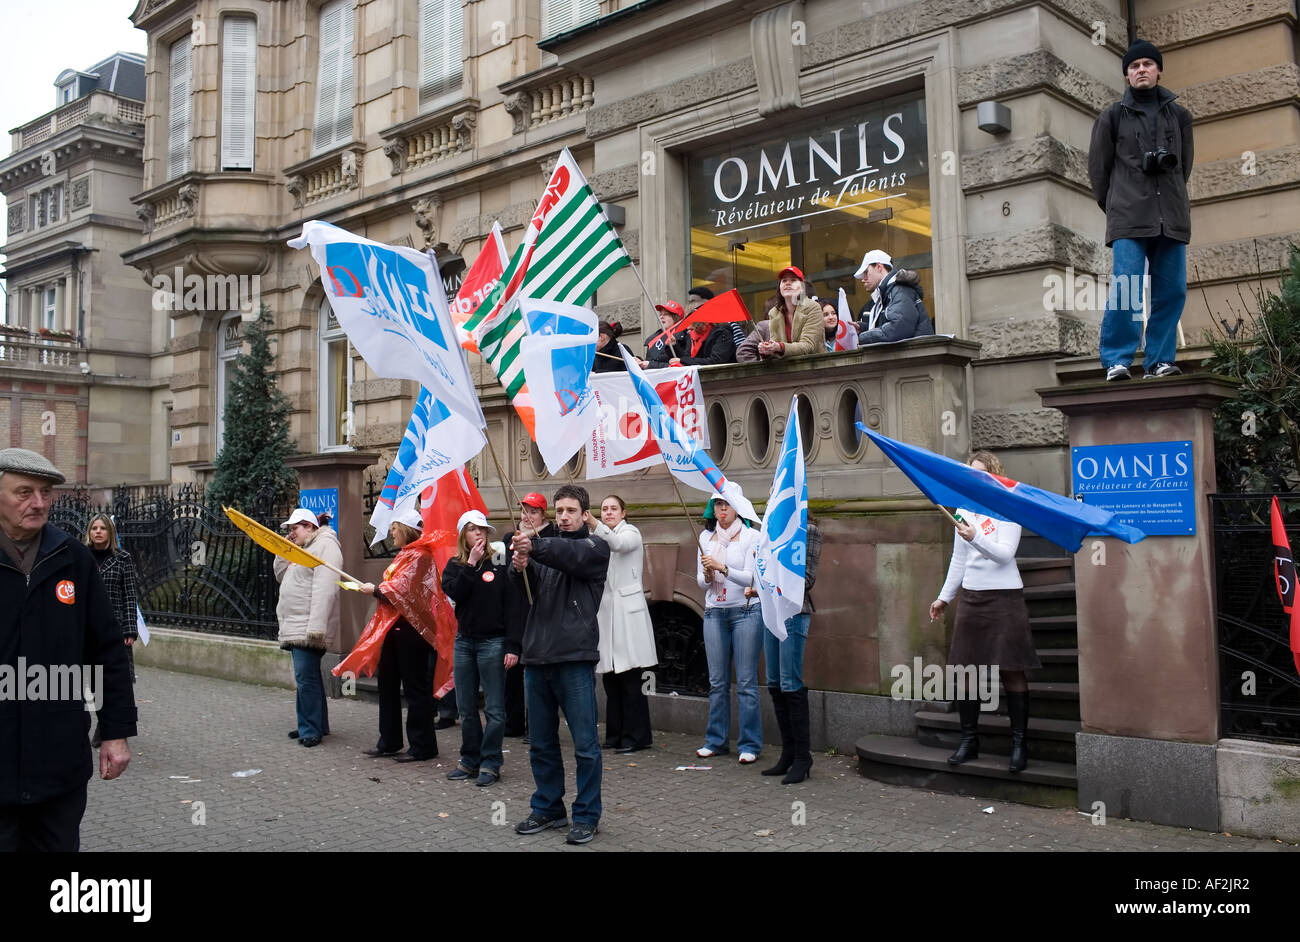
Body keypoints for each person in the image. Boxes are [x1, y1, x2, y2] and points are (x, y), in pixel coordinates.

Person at [0, 448, 136, 851]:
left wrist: (116, 732)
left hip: (58, 760)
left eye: (45, 492)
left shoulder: (72, 558)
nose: (38, 503)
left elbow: (107, 650)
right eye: (23, 492)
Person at [509, 484, 610, 846]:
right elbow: (528, 593)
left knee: (585, 745)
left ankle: (586, 816)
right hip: (537, 656)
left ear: (585, 515)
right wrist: (520, 567)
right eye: (560, 511)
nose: (564, 517)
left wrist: (534, 547)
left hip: (574, 658)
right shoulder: (546, 548)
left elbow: (573, 557)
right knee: (541, 743)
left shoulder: (596, 546)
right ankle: (549, 807)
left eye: (571, 511)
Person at [1088, 39, 1194, 382]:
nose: (1142, 70)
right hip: (1129, 216)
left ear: (1159, 70)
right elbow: (1098, 170)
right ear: (1126, 75)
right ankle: (1117, 360)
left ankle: (1160, 360)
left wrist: (1171, 196)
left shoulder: (1179, 116)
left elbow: (1184, 167)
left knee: (1172, 289)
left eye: (1148, 64)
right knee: (1127, 287)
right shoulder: (1113, 116)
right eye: (1134, 66)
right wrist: (1117, 204)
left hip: (1171, 215)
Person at [928, 451, 1040, 773]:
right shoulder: (964, 509)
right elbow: (959, 561)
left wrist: (975, 535)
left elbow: (1004, 556)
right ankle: (969, 740)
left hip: (1005, 597)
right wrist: (944, 598)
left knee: (1011, 670)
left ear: (993, 474)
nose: (975, 478)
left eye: (981, 473)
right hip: (973, 598)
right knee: (966, 672)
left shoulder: (1009, 507)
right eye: (971, 473)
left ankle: (1019, 745)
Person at [358, 508, 446, 762]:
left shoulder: (420, 556)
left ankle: (423, 745)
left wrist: (374, 589)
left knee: (415, 688)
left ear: (405, 529)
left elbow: (403, 589)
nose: (392, 532)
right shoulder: (406, 554)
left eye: (395, 527)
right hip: (394, 628)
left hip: (412, 631)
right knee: (387, 684)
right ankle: (389, 739)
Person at [441, 510, 520, 787]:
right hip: (464, 642)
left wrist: (512, 645)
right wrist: (471, 565)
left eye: (483, 530)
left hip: (493, 643)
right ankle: (469, 760)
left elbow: (512, 606)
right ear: (464, 535)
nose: (479, 534)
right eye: (474, 529)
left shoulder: (500, 565)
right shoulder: (454, 566)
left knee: (495, 709)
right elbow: (457, 593)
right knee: (466, 707)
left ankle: (491, 762)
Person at [695, 495, 763, 763]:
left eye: (728, 505)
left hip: (746, 611)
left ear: (739, 508)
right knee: (717, 682)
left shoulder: (750, 537)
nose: (722, 510)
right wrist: (709, 575)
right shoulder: (704, 538)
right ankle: (716, 741)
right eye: (718, 505)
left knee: (746, 682)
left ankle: (750, 744)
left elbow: (750, 576)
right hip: (714, 613)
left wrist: (722, 567)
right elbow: (701, 581)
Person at [592, 495, 658, 754]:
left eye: (613, 509)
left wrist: (594, 523)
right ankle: (615, 734)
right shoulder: (599, 537)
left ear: (623, 512)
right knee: (611, 678)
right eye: (604, 509)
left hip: (628, 614)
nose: (608, 513)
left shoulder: (630, 532)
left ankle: (637, 736)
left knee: (632, 676)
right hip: (608, 613)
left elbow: (618, 544)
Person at [272, 508, 342, 748]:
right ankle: (315, 724)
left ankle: (310, 729)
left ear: (310, 527)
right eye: (290, 529)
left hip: (308, 627)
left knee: (306, 678)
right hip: (296, 624)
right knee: (309, 677)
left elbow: (326, 588)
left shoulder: (326, 546)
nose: (292, 533)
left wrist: (316, 628)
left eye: (295, 528)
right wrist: (284, 550)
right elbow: (281, 575)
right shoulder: (301, 549)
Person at [759, 518, 821, 784]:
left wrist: (775, 577)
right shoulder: (768, 530)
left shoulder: (809, 531)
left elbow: (807, 578)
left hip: (794, 613)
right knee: (774, 682)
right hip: (771, 611)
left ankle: (802, 757)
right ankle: (788, 753)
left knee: (790, 682)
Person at [506, 492, 555, 738]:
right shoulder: (510, 538)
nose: (527, 517)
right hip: (516, 610)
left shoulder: (551, 537)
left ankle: (537, 726)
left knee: (539, 672)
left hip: (541, 609)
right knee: (513, 670)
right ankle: (513, 723)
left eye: (533, 512)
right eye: (524, 511)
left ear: (542, 515)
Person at [84, 513, 140, 692]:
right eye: (94, 528)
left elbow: (130, 595)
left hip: (114, 626)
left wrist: (130, 629)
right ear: (89, 532)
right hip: (87, 625)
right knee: (89, 675)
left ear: (110, 532)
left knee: (116, 678)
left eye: (102, 528)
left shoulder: (123, 558)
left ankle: (114, 713)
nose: (98, 532)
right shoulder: (81, 557)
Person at [854, 250, 934, 344]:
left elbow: (899, 329)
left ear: (879, 267)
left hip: (914, 356)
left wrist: (861, 337)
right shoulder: (891, 292)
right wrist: (863, 328)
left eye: (866, 272)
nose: (863, 279)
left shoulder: (899, 290)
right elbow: (894, 328)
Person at [756, 265, 824, 361]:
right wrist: (767, 350)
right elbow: (777, 349)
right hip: (787, 372)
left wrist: (779, 347)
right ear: (780, 288)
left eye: (793, 280)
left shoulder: (813, 308)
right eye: (784, 281)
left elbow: (808, 346)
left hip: (815, 369)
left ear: (802, 288)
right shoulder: (774, 313)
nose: (788, 283)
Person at [690, 285, 747, 350]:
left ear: (706, 302)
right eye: (690, 302)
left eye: (694, 301)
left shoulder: (727, 321)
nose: (690, 306)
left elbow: (741, 347)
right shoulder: (691, 325)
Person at [668, 319, 736, 366]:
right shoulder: (691, 335)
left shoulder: (721, 333)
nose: (685, 321)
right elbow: (687, 358)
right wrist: (674, 345)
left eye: (688, 317)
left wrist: (682, 360)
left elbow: (716, 360)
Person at [640, 302, 687, 369]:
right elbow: (649, 362)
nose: (661, 317)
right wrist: (640, 362)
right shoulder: (653, 339)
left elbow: (684, 363)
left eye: (666, 314)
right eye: (661, 314)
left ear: (676, 318)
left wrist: (674, 345)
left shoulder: (686, 335)